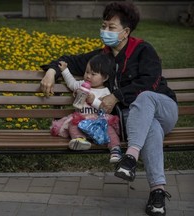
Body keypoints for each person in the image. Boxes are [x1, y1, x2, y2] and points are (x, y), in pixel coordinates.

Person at [40, 1, 178, 216]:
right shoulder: (102, 57)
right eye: (103, 26)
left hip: (163, 107)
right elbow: (67, 61)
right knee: (150, 127)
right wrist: (51, 71)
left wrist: (117, 96)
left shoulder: (143, 50)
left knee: (145, 98)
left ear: (126, 32)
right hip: (139, 123)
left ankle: (130, 157)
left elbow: (150, 81)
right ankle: (158, 193)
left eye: (111, 27)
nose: (105, 31)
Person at [50, 53, 122, 163]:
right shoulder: (81, 85)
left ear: (105, 78)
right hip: (82, 120)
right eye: (87, 72)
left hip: (98, 122)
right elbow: (71, 83)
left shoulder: (105, 92)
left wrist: (93, 101)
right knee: (72, 125)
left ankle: (115, 149)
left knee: (110, 131)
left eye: (93, 74)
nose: (88, 76)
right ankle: (79, 140)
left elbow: (105, 109)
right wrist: (64, 70)